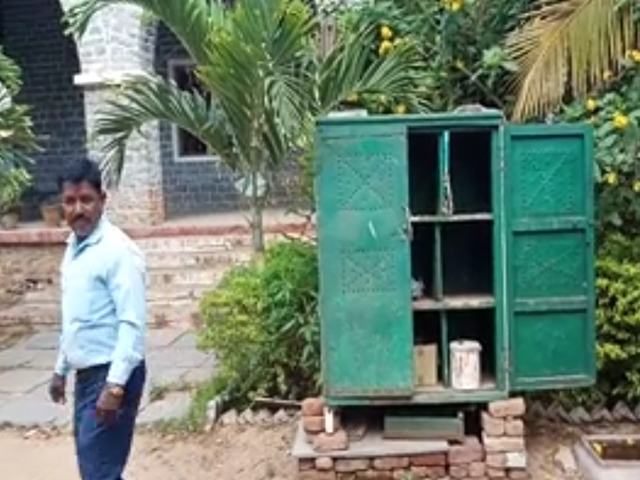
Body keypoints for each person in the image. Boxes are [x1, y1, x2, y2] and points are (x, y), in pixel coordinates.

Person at [48, 159, 147, 480]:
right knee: (95, 466)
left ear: (103, 200)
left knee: (99, 471)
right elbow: (75, 318)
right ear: (62, 204)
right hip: (87, 375)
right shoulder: (74, 248)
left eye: (86, 200)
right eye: (70, 201)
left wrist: (115, 387)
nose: (79, 209)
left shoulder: (118, 251)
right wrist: (60, 370)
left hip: (111, 373)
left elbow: (132, 323)